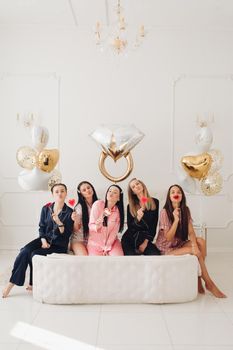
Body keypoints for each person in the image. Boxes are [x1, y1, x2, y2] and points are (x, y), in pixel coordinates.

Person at [2, 183, 74, 298]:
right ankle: (11, 284)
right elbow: (41, 227)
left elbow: (66, 235)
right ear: (52, 194)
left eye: (62, 191)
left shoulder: (70, 212)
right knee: (25, 250)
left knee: (34, 254)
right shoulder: (46, 208)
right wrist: (43, 240)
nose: (59, 193)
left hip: (58, 244)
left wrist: (59, 222)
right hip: (44, 239)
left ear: (66, 193)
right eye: (57, 191)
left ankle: (33, 283)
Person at [155, 184, 226, 298]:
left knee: (201, 242)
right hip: (166, 248)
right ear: (169, 196)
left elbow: (191, 232)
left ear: (182, 196)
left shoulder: (185, 210)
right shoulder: (164, 212)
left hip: (178, 244)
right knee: (192, 250)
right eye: (172, 192)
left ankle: (198, 278)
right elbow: (168, 237)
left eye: (178, 192)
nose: (176, 193)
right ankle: (209, 283)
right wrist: (176, 220)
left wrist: (195, 246)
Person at [121, 178, 161, 255]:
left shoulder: (154, 202)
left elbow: (153, 225)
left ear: (142, 184)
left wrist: (145, 243)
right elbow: (130, 227)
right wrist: (138, 219)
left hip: (145, 238)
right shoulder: (130, 206)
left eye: (137, 183)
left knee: (155, 255)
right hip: (129, 239)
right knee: (132, 259)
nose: (136, 186)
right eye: (133, 187)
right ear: (132, 192)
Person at [87, 184, 124, 256]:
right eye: (109, 191)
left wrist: (106, 248)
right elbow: (91, 226)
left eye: (115, 192)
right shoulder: (97, 204)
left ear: (119, 198)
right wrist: (101, 218)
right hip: (95, 244)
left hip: (112, 243)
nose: (111, 193)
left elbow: (114, 233)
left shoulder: (117, 211)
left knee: (119, 260)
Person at [70, 181, 98, 255]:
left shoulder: (99, 203)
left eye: (88, 188)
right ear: (81, 193)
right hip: (79, 240)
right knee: (84, 257)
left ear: (92, 188)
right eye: (84, 190)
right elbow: (76, 229)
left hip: (94, 240)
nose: (87, 190)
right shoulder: (79, 207)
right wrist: (75, 220)